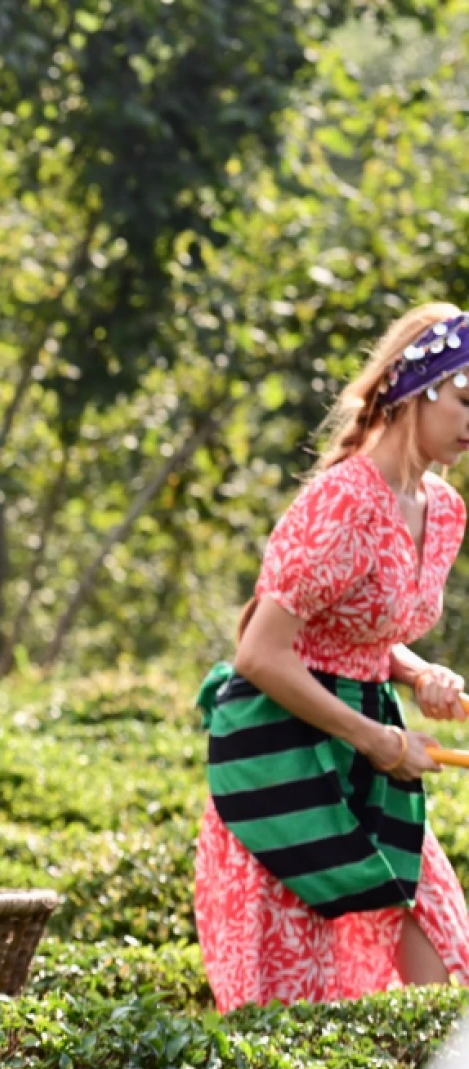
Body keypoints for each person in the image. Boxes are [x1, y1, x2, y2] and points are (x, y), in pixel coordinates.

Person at [194, 301, 469, 1014]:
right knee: (294, 997)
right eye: (468, 400)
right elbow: (259, 651)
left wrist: (415, 671)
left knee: (443, 955)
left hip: (364, 748)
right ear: (421, 388)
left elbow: (359, 627)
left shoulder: (442, 508)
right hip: (288, 753)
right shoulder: (343, 501)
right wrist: (377, 738)